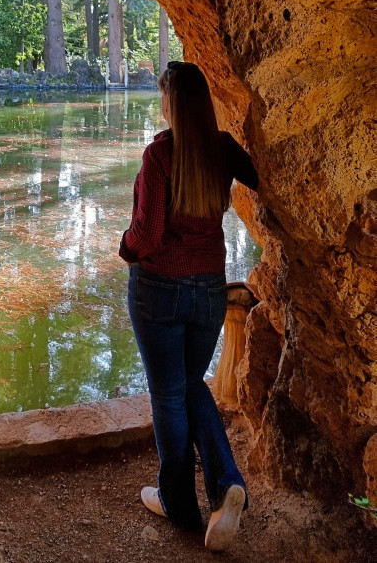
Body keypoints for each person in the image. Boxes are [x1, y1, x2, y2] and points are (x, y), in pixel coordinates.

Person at [119, 60, 259, 551]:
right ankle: (225, 486)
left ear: (172, 104)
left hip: (159, 289)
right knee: (188, 385)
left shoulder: (160, 155)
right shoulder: (221, 150)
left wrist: (126, 249)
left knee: (168, 394)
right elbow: (264, 179)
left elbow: (147, 234)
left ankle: (178, 504)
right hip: (207, 292)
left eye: (163, 97)